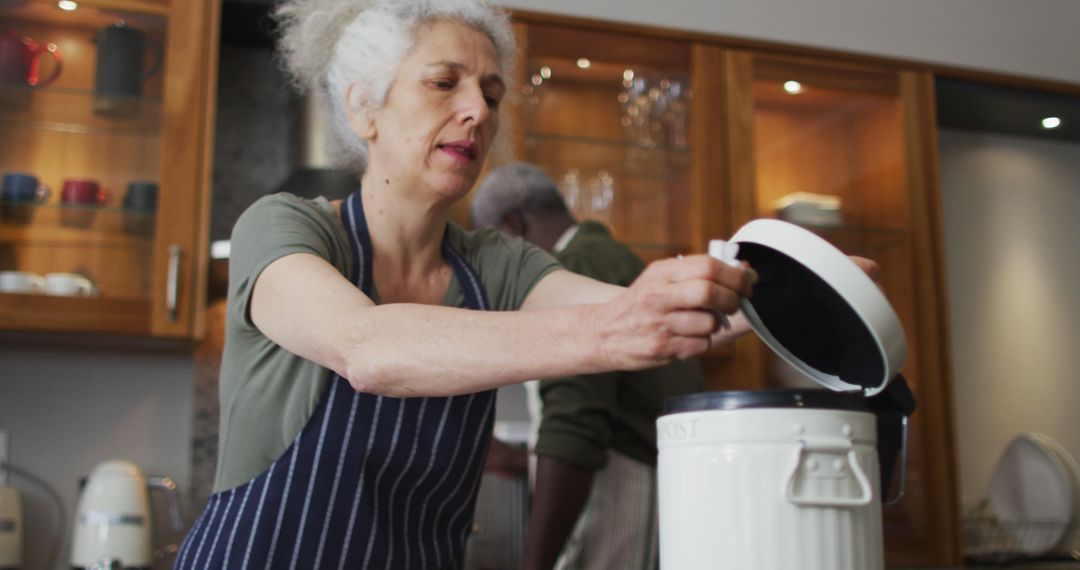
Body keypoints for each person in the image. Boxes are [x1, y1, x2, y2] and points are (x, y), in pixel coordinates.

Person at [174, 0, 755, 567]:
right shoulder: (283, 226)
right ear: (363, 109)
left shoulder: (497, 264)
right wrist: (617, 332)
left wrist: (813, 289)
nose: (478, 109)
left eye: (492, 94)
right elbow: (367, 348)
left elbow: (667, 314)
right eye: (444, 83)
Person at [471, 163, 705, 570]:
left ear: (513, 226)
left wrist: (534, 561)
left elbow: (576, 424)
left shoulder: (574, 268)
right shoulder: (604, 257)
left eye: (492, 251)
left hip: (620, 487)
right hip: (645, 478)